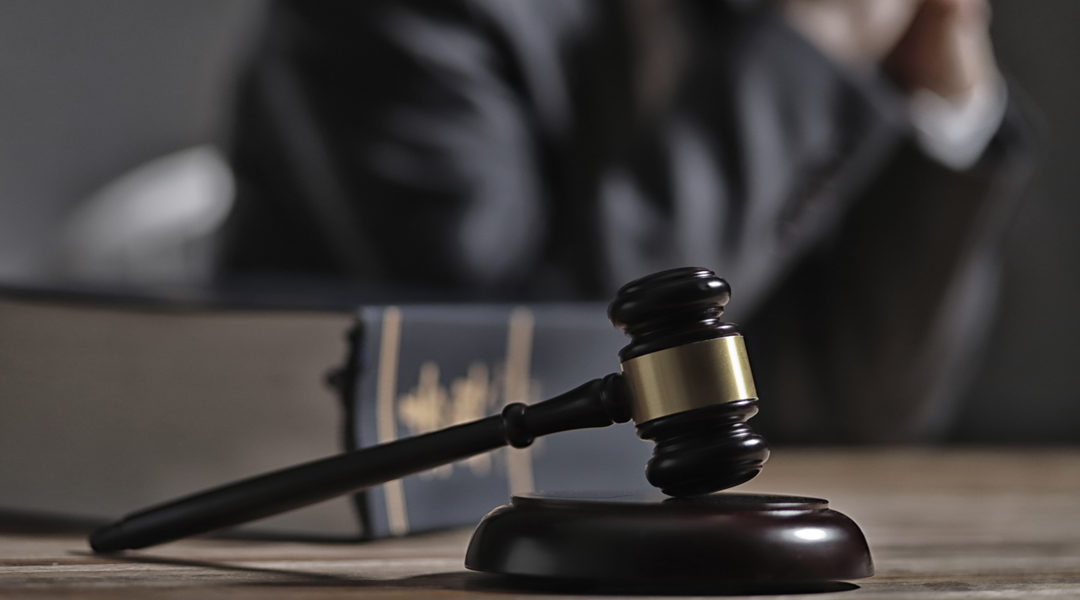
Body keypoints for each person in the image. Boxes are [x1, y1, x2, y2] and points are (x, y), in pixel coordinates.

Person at [217, 0, 1030, 442]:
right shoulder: (396, 18)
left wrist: (943, 105)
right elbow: (514, 382)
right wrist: (810, 48)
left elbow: (856, 411)